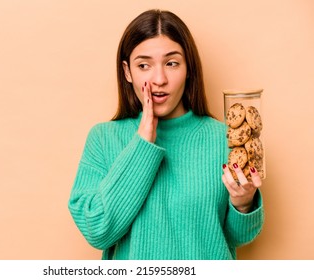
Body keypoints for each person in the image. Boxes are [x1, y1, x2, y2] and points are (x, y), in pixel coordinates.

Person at [68, 9, 264, 260]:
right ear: (128, 72)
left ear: (188, 68)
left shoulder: (222, 138)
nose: (159, 79)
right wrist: (142, 145)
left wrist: (244, 203)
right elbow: (98, 231)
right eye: (144, 65)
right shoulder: (104, 139)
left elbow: (236, 237)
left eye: (172, 63)